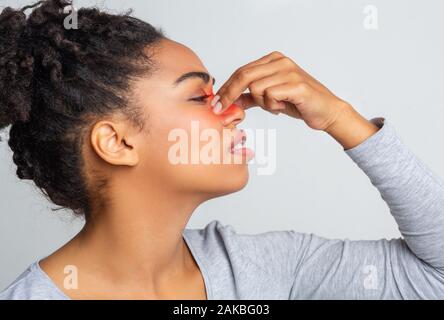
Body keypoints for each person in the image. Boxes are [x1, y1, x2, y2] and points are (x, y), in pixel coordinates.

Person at [0, 0, 443, 300]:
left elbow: (434, 277)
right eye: (199, 97)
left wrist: (341, 118)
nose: (233, 111)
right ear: (116, 143)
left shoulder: (257, 270)